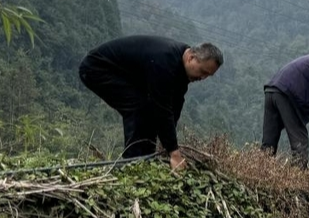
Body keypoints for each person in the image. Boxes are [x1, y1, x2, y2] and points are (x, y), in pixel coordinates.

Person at [79, 35, 223, 170]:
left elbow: (175, 105)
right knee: (139, 107)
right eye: (203, 71)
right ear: (191, 58)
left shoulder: (181, 65)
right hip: (96, 68)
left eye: (208, 75)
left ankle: (146, 160)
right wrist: (174, 153)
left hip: (126, 76)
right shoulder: (165, 62)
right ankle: (132, 164)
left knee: (148, 109)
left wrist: (167, 146)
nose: (203, 78)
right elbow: (162, 108)